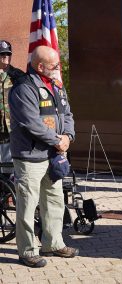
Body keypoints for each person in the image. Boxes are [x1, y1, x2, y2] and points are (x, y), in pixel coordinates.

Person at [9, 46, 78, 268]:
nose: (58, 69)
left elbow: (67, 114)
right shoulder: (24, 88)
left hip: (53, 155)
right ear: (40, 67)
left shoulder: (56, 85)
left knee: (55, 201)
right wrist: (57, 140)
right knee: (28, 204)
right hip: (30, 156)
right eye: (54, 65)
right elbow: (31, 123)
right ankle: (28, 250)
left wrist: (67, 135)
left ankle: (53, 243)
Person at [0, 40, 24, 174]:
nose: (5, 57)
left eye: (7, 54)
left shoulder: (19, 76)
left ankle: (8, 193)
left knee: (10, 165)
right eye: (2, 54)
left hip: (13, 127)